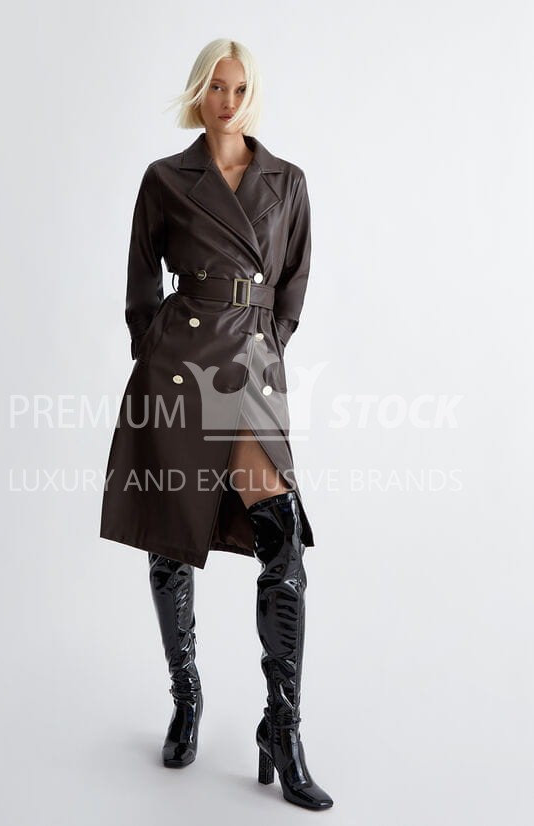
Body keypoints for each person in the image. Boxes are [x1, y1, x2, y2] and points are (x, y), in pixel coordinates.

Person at [100, 38, 333, 811]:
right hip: (178, 369)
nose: (226, 102)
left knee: (282, 539)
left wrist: (265, 347)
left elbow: (293, 284)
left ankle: (283, 727)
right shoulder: (166, 178)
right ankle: (186, 696)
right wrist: (155, 349)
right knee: (171, 539)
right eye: (214, 88)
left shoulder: (287, 181)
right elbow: (140, 283)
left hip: (251, 373)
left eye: (238, 88)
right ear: (198, 93)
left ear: (251, 95)